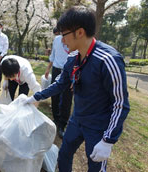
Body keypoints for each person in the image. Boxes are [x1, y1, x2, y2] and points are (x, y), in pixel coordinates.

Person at [23, 6, 130, 171]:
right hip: (77, 118)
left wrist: (108, 140)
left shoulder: (108, 60)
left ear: (79, 32)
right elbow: (61, 83)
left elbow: (120, 103)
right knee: (64, 154)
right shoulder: (73, 57)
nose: (62, 40)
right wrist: (36, 96)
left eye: (64, 35)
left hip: (98, 125)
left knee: (95, 165)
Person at [44, 27, 73, 138]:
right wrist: (48, 69)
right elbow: (53, 55)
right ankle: (55, 119)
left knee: (66, 98)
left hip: (69, 70)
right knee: (54, 96)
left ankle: (62, 124)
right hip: (56, 69)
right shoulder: (56, 40)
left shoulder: (73, 39)